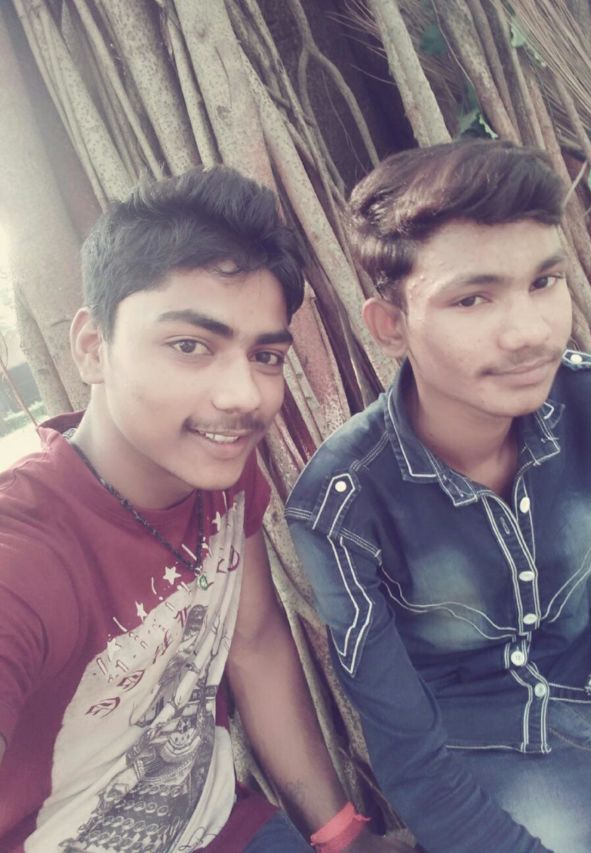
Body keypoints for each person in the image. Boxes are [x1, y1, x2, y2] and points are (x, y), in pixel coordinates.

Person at [0, 167, 412, 853]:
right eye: (190, 345)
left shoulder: (220, 473)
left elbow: (253, 642)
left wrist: (343, 836)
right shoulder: (24, 552)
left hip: (224, 824)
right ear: (93, 348)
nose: (243, 396)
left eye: (266, 355)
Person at [285, 139, 591, 853]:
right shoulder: (341, 504)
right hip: (495, 754)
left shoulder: (588, 398)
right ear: (390, 326)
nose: (530, 333)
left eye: (544, 281)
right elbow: (408, 751)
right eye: (472, 298)